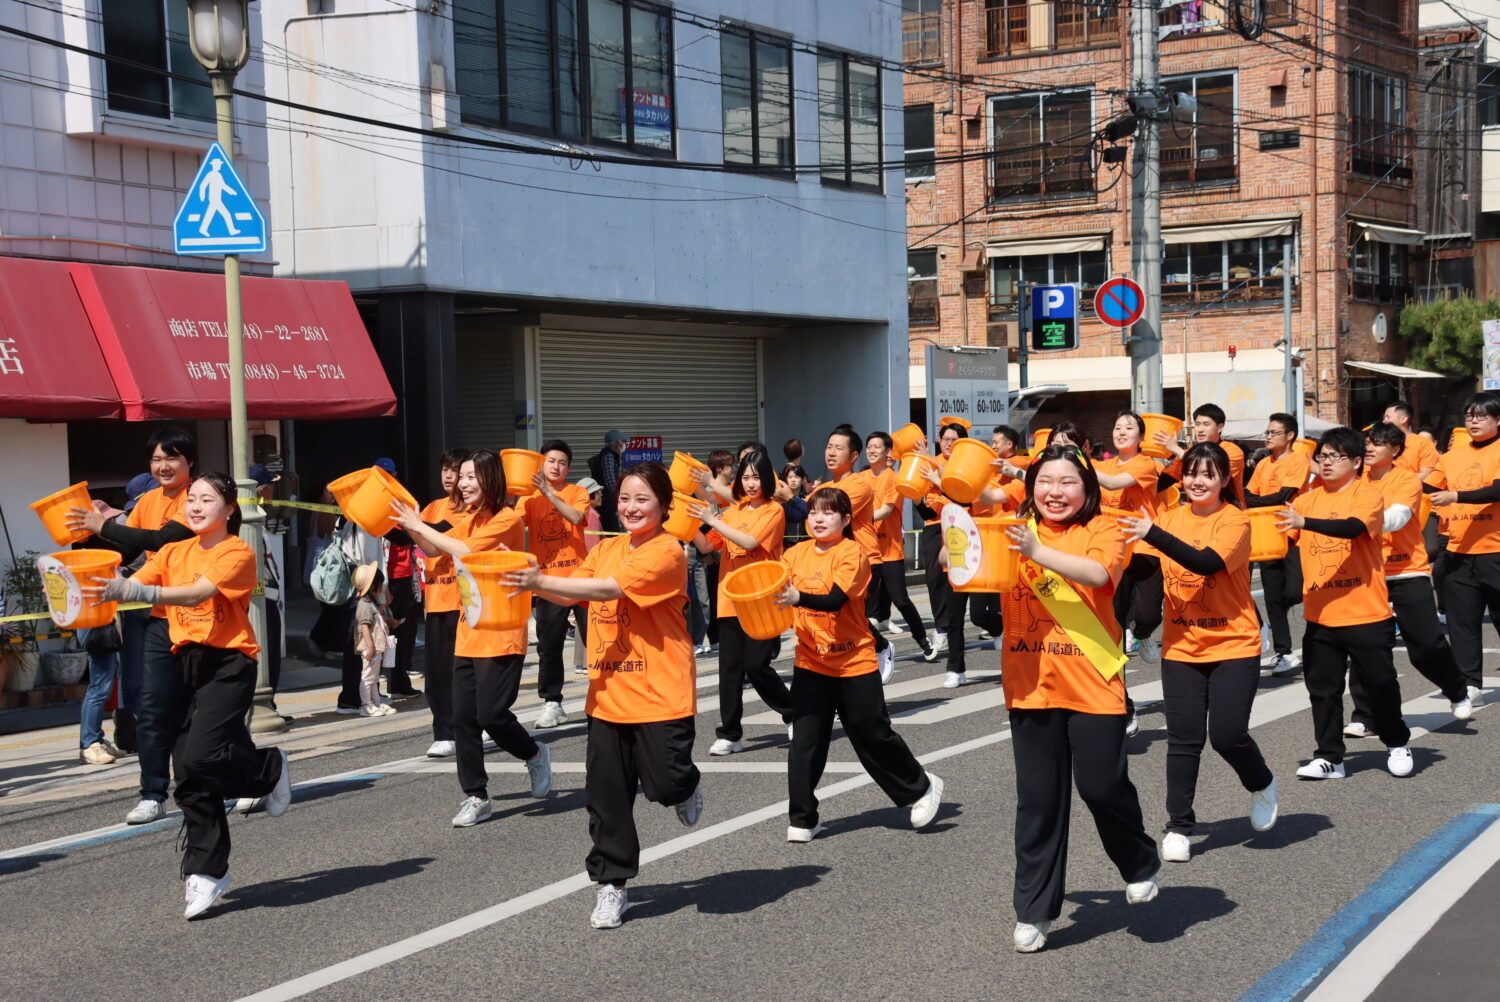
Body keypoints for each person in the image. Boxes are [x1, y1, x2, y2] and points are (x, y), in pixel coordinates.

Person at [503, 462, 702, 930]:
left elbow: (608, 589)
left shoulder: (668, 551)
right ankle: (612, 884)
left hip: (660, 692)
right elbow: (576, 589)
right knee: (607, 798)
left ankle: (686, 786)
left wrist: (540, 583)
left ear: (664, 506)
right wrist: (531, 575)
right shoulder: (609, 548)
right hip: (609, 694)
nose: (631, 508)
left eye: (643, 500)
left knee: (666, 785)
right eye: (625, 499)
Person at [86, 472, 292, 920]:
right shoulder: (173, 550)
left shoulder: (236, 551)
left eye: (207, 499)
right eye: (192, 500)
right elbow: (133, 582)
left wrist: (140, 589)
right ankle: (206, 871)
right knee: (190, 777)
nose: (196, 506)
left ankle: (267, 768)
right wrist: (95, 587)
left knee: (200, 758)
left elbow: (198, 591)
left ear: (230, 509)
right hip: (184, 664)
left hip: (229, 664)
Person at [1001, 445, 1159, 954]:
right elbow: (956, 560)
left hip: (1092, 683)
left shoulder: (1104, 528)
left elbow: (1097, 576)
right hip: (1029, 686)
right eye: (1045, 481)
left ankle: (1138, 861)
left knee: (1101, 785)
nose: (1055, 491)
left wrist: (1034, 552)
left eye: (1068, 481)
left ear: (1087, 489)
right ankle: (1034, 910)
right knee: (1039, 803)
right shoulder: (1011, 529)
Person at [1120, 443, 1277, 864]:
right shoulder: (1170, 518)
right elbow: (1141, 571)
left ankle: (1261, 783)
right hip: (1182, 647)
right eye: (1190, 473)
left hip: (1234, 644)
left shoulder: (1236, 521)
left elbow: (1206, 563)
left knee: (1227, 735)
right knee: (1183, 739)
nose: (1197, 481)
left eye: (1208, 474)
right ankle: (1179, 826)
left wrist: (1152, 533)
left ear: (1225, 479)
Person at [393, 450, 554, 826]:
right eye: (461, 476)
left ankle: (533, 753)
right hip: (469, 627)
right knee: (463, 718)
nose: (463, 484)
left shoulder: (506, 519)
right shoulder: (467, 520)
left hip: (502, 628)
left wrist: (420, 524)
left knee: (492, 715)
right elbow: (437, 549)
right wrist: (412, 525)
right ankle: (476, 795)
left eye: (471, 477)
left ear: (491, 480)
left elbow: (463, 549)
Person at [776, 485, 945, 843]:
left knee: (871, 734)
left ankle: (921, 788)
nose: (819, 519)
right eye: (813, 512)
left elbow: (835, 599)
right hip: (810, 660)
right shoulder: (795, 554)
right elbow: (774, 590)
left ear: (847, 519)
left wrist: (797, 596)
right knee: (806, 740)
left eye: (828, 512)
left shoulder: (852, 552)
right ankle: (803, 817)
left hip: (854, 660)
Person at [66, 427, 196, 826]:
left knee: (199, 709)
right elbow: (128, 547)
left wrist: (105, 524)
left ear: (189, 462)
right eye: (156, 459)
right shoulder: (147, 500)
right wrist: (84, 539)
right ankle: (153, 793)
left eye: (170, 458)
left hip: (195, 617)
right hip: (157, 617)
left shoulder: (197, 499)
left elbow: (160, 538)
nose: (162, 466)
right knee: (152, 708)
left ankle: (233, 777)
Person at [1278, 427, 1413, 780]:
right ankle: (1330, 758)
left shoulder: (1367, 495)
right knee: (1323, 690)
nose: (1326, 463)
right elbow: (1281, 542)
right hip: (1321, 615)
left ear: (1355, 462)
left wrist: (1304, 522)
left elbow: (1353, 528)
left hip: (1365, 612)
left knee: (1380, 684)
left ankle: (1397, 741)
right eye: (1321, 456)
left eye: (1335, 457)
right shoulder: (1306, 499)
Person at [1344, 424, 1473, 738]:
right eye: (1367, 443)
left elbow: (1398, 517)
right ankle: (1365, 714)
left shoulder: (1405, 480)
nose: (1370, 448)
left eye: (1378, 444)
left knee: (1426, 645)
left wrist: (1358, 522)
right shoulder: (1353, 481)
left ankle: (1457, 688)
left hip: (1407, 572)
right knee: (1366, 647)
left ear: (1396, 451)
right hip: (1367, 575)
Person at [691, 449, 793, 755]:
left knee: (756, 665)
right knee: (730, 669)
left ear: (767, 480)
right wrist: (690, 524)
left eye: (756, 477)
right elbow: (710, 545)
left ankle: (793, 711)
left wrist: (712, 518)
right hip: (730, 599)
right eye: (745, 477)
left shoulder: (773, 511)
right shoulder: (735, 512)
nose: (750, 484)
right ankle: (730, 734)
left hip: (762, 600)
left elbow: (748, 542)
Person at [1425, 391, 1500, 699]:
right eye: (1469, 415)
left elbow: (1496, 490)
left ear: (1498, 420)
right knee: (1462, 622)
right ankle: (1470, 682)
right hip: (1458, 549)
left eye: (1481, 416)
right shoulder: (1452, 455)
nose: (1474, 421)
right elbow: (1429, 485)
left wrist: (1456, 496)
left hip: (1496, 550)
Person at [525, 439, 591, 729]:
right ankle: (552, 702)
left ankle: (608, 693)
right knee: (549, 646)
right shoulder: (527, 498)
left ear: (569, 468)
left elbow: (576, 517)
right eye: (551, 461)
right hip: (548, 582)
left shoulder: (577, 492)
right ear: (541, 463)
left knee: (598, 639)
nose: (556, 466)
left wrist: (549, 494)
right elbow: (512, 526)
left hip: (582, 578)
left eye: (562, 462)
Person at [825, 426, 897, 684]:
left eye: (838, 448)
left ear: (854, 456)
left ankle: (878, 648)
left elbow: (826, 510)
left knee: (849, 620)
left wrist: (794, 499)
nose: (831, 452)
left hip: (864, 561)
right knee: (841, 621)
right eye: (829, 446)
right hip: (838, 562)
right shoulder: (827, 486)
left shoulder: (858, 484)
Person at [1095, 411, 1165, 672]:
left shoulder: (1145, 464)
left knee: (1147, 614)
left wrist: (1081, 464)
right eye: (1117, 427)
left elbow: (1114, 484)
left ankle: (1145, 633)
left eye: (1128, 428)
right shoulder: (1103, 465)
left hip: (1145, 545)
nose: (1121, 432)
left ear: (1141, 436)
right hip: (1114, 548)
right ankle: (1119, 699)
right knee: (1115, 621)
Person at [1247, 412, 1311, 676]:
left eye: (1274, 432)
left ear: (1290, 436)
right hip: (1268, 534)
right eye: (1267, 432)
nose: (1268, 436)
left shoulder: (1298, 461)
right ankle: (1284, 652)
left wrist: (1252, 501)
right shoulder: (1263, 464)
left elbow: (1284, 495)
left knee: (1295, 591)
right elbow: (1250, 493)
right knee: (1273, 597)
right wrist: (1251, 500)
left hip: (1295, 533)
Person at [417, 448, 469, 757]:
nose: (448, 476)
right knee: (436, 673)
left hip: (466, 602)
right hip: (435, 600)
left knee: (463, 672)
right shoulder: (431, 508)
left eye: (455, 470)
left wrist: (414, 525)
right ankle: (444, 731)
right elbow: (423, 545)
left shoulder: (473, 511)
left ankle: (471, 726)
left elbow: (437, 542)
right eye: (445, 470)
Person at [863, 432, 930, 654]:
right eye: (869, 447)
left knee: (901, 600)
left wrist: (859, 519)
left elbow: (886, 510)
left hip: (890, 551)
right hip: (867, 552)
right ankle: (871, 650)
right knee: (865, 608)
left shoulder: (893, 478)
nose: (872, 451)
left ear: (888, 452)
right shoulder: (861, 478)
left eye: (876, 447)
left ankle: (922, 639)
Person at [915, 422, 968, 674]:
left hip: (959, 523)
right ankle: (941, 627)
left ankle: (969, 623)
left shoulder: (963, 464)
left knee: (958, 580)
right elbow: (923, 499)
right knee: (934, 577)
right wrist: (915, 498)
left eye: (953, 439)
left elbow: (959, 490)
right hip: (934, 523)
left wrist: (932, 464)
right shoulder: (930, 461)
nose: (948, 443)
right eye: (945, 438)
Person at [1156, 403, 1246, 502]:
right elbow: (1159, 485)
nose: (1200, 430)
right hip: (1198, 513)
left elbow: (1212, 471)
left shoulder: (1232, 451)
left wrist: (1177, 450)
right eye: (1197, 424)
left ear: (1220, 427)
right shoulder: (1188, 453)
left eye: (1206, 424)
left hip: (1227, 511)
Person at [351, 561, 396, 717]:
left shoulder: (371, 603)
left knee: (374, 677)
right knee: (368, 677)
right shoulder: (364, 605)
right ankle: (366, 705)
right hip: (370, 647)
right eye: (379, 585)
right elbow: (364, 627)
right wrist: (370, 647)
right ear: (371, 587)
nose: (381, 589)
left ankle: (375, 702)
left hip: (375, 647)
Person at [590, 431, 628, 534]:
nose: (624, 444)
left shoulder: (614, 455)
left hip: (608, 499)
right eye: (622, 442)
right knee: (612, 529)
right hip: (605, 500)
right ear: (615, 443)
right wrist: (620, 495)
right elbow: (610, 480)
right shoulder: (608, 456)